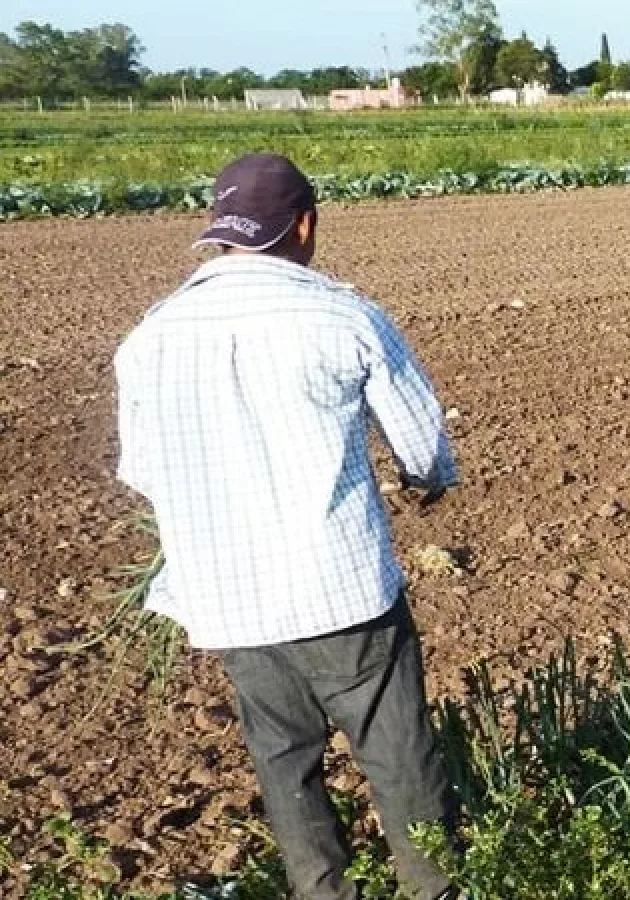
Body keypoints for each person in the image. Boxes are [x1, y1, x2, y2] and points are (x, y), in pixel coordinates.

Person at [115, 153, 459, 900]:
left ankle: (320, 889)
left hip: (229, 600)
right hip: (343, 592)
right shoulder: (343, 315)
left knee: (283, 757)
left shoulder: (150, 337)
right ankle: (433, 887)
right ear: (304, 225)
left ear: (218, 228)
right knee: (398, 752)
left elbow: (141, 471)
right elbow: (422, 445)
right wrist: (427, 482)